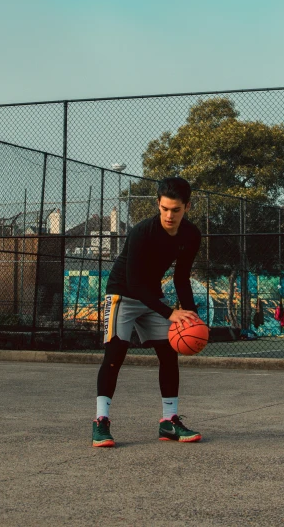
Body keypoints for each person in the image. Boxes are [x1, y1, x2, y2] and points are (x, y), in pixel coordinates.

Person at [92, 177, 202, 447]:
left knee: (169, 353)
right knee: (115, 353)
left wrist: (190, 313)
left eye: (175, 210)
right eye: (164, 209)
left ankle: (169, 421)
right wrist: (169, 313)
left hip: (151, 295)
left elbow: (181, 278)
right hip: (123, 292)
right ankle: (101, 422)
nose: (169, 215)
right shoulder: (142, 232)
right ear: (158, 205)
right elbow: (134, 283)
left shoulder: (191, 235)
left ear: (187, 207)